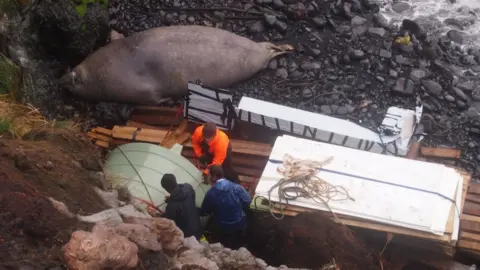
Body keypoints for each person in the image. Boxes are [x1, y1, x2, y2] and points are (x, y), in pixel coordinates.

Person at [200, 165, 252, 250]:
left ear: (213, 177)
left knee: (224, 245)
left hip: (223, 226)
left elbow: (205, 212)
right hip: (239, 222)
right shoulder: (236, 187)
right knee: (237, 244)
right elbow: (248, 200)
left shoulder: (211, 194)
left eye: (208, 175)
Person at [161, 173, 202, 239]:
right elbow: (189, 201)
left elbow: (168, 223)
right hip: (199, 226)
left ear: (166, 189)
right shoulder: (188, 187)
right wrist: (172, 199)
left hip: (189, 236)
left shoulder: (171, 207)